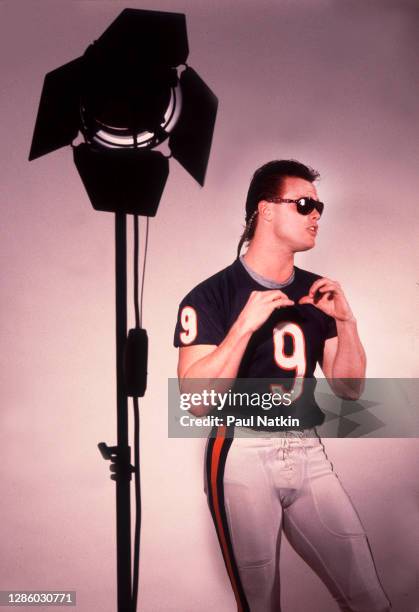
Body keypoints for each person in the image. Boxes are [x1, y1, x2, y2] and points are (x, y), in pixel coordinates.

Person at [174, 160, 391, 612]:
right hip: (240, 453)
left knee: (369, 598)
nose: (316, 216)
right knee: (259, 604)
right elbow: (195, 402)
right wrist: (243, 328)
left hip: (307, 450)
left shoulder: (319, 291)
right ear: (266, 211)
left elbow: (349, 389)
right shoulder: (210, 295)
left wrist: (347, 323)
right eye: (305, 204)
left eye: (319, 207)